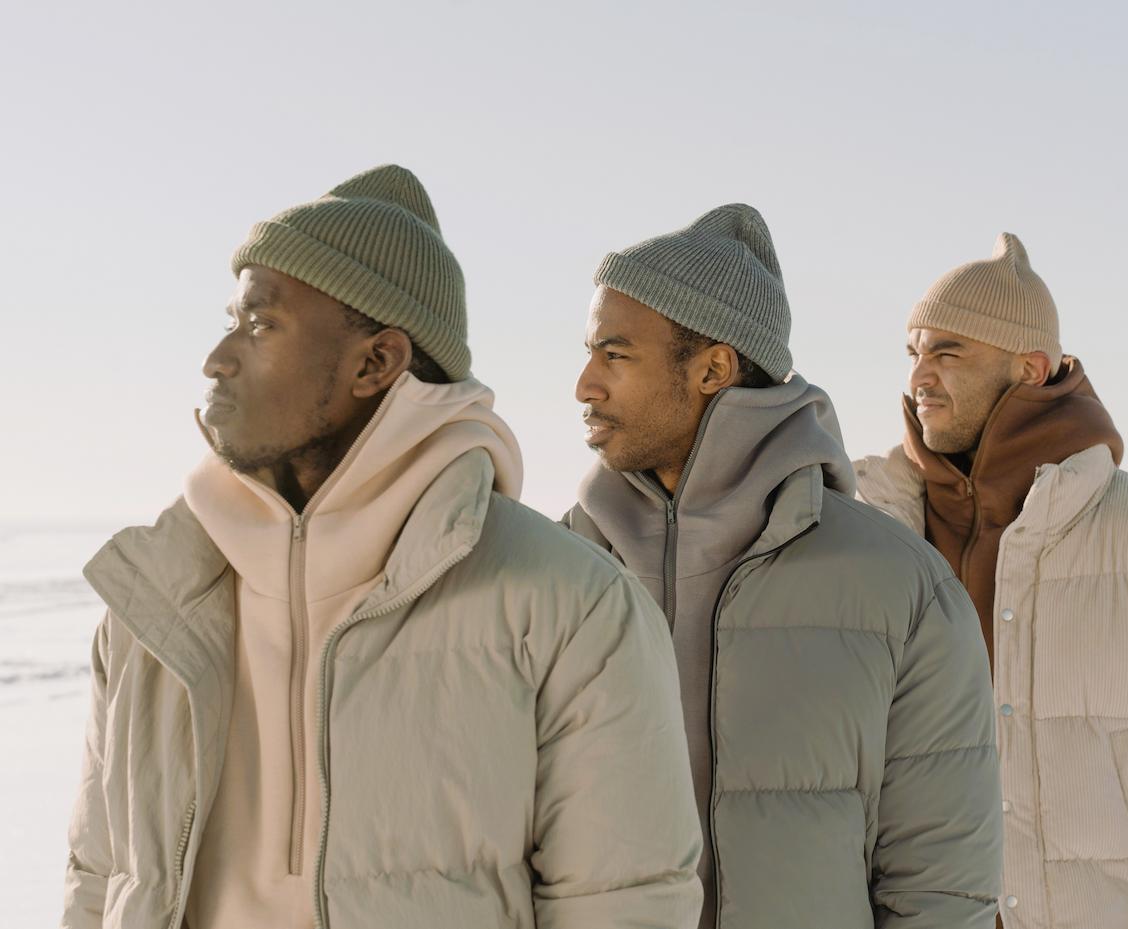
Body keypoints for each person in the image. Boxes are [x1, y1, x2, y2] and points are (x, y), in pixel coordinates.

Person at [61, 165, 702, 929]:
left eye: (261, 324)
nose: (218, 358)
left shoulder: (572, 606)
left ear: (377, 362)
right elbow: (98, 878)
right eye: (230, 319)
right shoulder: (151, 601)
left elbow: (624, 906)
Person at [563, 203, 1004, 929]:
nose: (585, 383)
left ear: (712, 367)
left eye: (614, 354)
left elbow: (943, 890)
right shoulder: (559, 574)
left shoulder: (902, 589)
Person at [854, 233, 1128, 929]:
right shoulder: (867, 527)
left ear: (1030, 366)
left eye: (948, 352)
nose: (919, 377)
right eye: (914, 353)